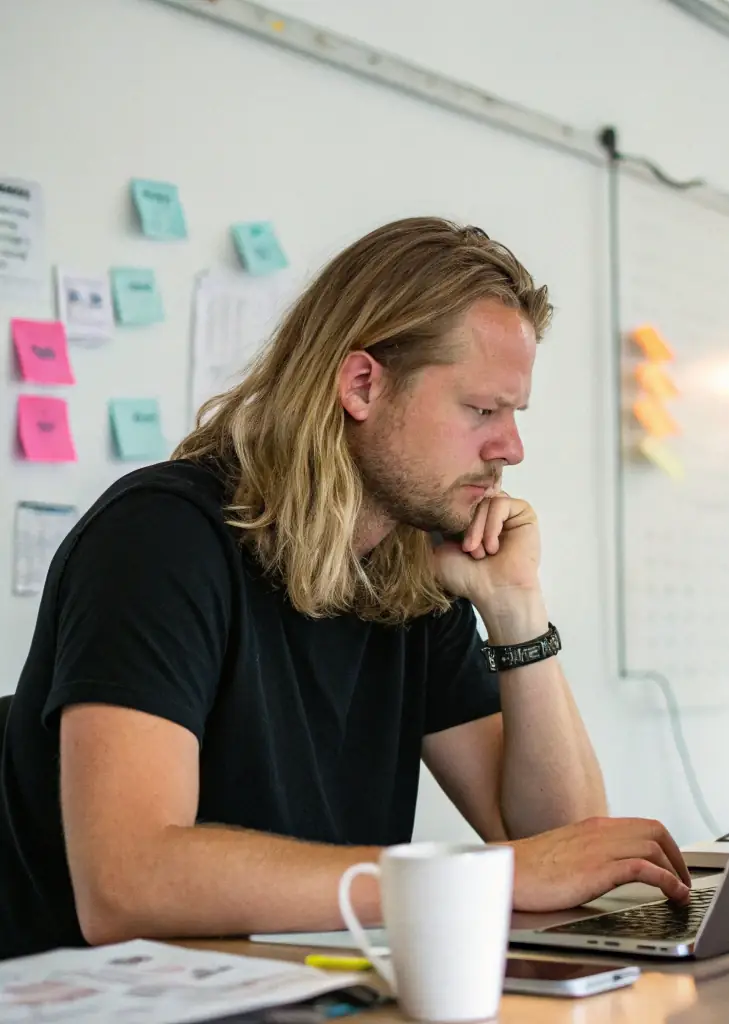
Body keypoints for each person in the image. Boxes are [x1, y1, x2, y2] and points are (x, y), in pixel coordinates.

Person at [0, 218, 690, 959]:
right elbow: (125, 886)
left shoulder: (409, 572)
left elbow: (564, 851)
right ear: (362, 385)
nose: (509, 449)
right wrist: (480, 878)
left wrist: (516, 609)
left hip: (293, 990)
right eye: (482, 411)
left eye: (513, 415)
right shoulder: (160, 540)